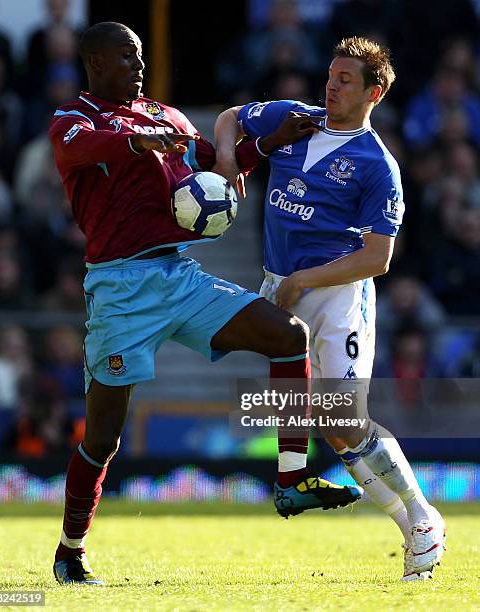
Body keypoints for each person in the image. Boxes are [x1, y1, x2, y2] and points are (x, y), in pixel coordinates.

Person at [48, 22, 361, 586]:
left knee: (290, 336)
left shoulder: (165, 116)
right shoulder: (74, 120)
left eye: (140, 55)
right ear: (95, 63)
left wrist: (271, 141)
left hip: (180, 274)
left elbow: (222, 164)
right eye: (125, 57)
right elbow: (86, 149)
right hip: (120, 290)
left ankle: (291, 478)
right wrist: (138, 143)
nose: (138, 66)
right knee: (103, 438)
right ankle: (71, 548)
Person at [214, 36, 445, 581]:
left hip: (338, 297)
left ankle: (420, 518)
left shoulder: (377, 165)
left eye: (346, 80)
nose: (332, 86)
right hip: (282, 286)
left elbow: (378, 257)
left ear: (375, 92)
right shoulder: (295, 119)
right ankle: (415, 522)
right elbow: (229, 118)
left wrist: (303, 281)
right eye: (331, 75)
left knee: (345, 420)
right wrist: (228, 161)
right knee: (326, 423)